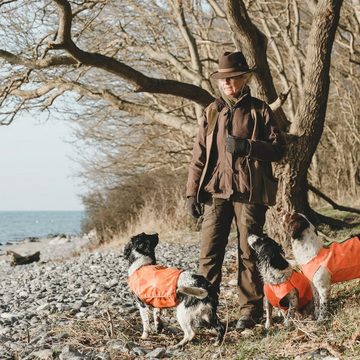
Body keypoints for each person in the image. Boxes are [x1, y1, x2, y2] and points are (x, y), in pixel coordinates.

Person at [186, 51, 285, 330]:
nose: (228, 83)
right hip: (216, 192)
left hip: (250, 193)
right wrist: (191, 193)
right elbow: (198, 156)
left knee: (248, 252)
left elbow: (280, 149)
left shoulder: (260, 109)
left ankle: (249, 312)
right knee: (209, 252)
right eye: (223, 79)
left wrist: (248, 147)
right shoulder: (211, 111)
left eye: (233, 78)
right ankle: (206, 311)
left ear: (244, 78)